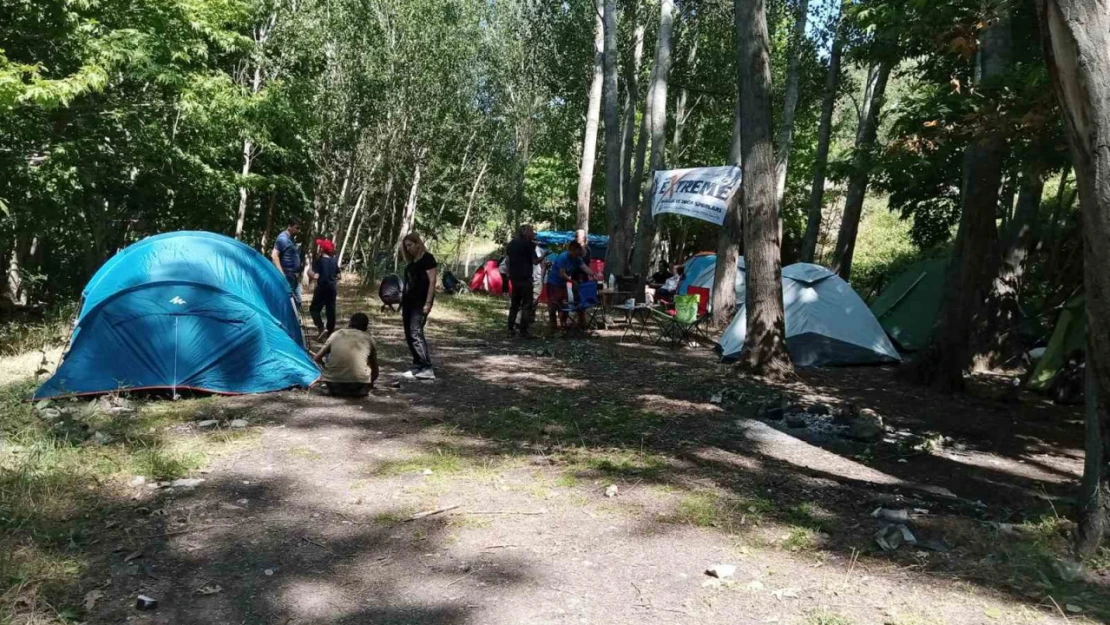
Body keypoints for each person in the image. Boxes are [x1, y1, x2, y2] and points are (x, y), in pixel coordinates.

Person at [400, 232, 438, 380]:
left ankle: (426, 367)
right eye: (406, 246)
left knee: (415, 332)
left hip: (420, 302)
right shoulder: (412, 262)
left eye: (410, 245)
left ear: (417, 244)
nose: (408, 248)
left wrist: (428, 303)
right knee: (409, 334)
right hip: (408, 301)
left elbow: (432, 281)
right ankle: (417, 365)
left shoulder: (428, 259)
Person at [313, 313, 379, 397]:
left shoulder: (336, 334)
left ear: (349, 323)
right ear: (366, 327)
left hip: (333, 385)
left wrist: (325, 368)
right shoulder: (369, 338)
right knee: (368, 361)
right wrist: (370, 383)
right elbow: (375, 372)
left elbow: (316, 358)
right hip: (358, 386)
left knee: (330, 358)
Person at [507, 224, 542, 337]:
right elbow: (535, 261)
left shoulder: (511, 244)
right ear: (526, 233)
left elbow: (508, 259)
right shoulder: (529, 245)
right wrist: (545, 254)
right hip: (525, 279)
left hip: (514, 278)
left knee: (515, 303)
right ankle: (523, 330)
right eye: (532, 231)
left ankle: (510, 327)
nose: (534, 234)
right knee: (527, 304)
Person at [546, 241, 589, 333]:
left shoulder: (577, 258)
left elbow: (584, 267)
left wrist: (594, 274)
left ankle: (563, 324)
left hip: (563, 284)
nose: (577, 255)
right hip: (554, 283)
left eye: (579, 253)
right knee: (554, 305)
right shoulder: (563, 257)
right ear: (572, 250)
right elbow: (562, 274)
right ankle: (553, 327)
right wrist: (572, 281)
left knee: (564, 304)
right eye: (576, 253)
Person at [308, 238, 339, 341]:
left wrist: (310, 273)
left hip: (321, 289)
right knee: (330, 311)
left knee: (314, 309)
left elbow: (316, 276)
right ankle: (330, 333)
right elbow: (339, 275)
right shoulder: (334, 261)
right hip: (332, 289)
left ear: (322, 250)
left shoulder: (320, 261)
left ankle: (321, 328)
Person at [271, 218, 302, 306]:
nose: (298, 230)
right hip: (286, 275)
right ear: (289, 226)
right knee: (288, 302)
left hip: (293, 276)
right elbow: (274, 255)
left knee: (297, 301)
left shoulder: (290, 239)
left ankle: (293, 319)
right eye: (296, 228)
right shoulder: (283, 239)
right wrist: (282, 274)